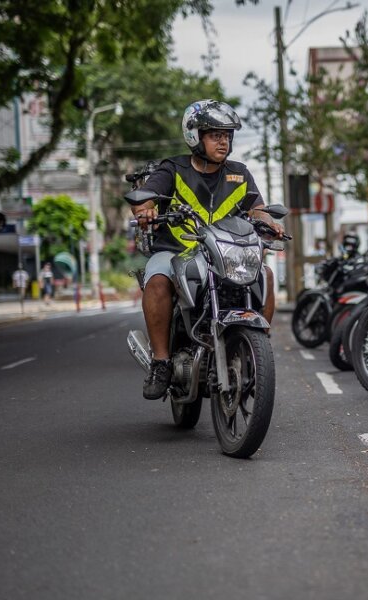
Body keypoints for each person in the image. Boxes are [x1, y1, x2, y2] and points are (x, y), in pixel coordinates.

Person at [129, 99, 284, 400]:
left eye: (226, 135)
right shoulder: (172, 169)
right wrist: (145, 210)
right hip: (175, 250)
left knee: (264, 274)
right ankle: (161, 362)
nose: (223, 141)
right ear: (195, 136)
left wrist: (268, 222)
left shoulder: (239, 174)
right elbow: (143, 200)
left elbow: (258, 208)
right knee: (158, 281)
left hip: (223, 253)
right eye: (215, 135)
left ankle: (257, 348)